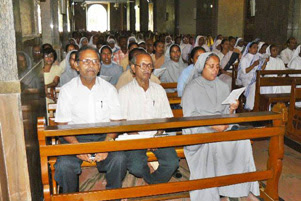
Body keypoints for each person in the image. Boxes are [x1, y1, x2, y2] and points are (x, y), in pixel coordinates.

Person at [182, 52, 259, 201]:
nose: (215, 70)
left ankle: (240, 189)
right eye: (211, 66)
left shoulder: (223, 86)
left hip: (222, 127)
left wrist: (231, 108)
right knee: (214, 144)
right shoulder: (191, 89)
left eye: (217, 67)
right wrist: (212, 126)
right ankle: (212, 193)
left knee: (242, 142)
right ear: (201, 67)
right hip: (199, 131)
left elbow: (225, 113)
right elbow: (189, 120)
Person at [54, 46, 127, 194]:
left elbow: (116, 122)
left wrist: (107, 144)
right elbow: (62, 125)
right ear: (76, 65)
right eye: (86, 61)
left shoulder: (109, 89)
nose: (91, 65)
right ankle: (71, 197)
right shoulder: (67, 90)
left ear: (99, 66)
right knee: (64, 165)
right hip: (74, 138)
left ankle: (113, 196)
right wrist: (76, 146)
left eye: (95, 61)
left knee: (119, 158)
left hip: (103, 136)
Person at [118, 52, 179, 184]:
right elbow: (122, 122)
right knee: (137, 168)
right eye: (143, 65)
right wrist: (143, 141)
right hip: (135, 138)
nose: (147, 69)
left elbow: (166, 118)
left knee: (172, 162)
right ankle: (151, 180)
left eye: (150, 65)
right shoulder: (124, 92)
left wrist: (156, 136)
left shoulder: (159, 90)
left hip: (157, 136)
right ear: (133, 68)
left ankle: (152, 182)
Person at [237, 42, 269, 110]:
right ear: (249, 49)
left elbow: (261, 70)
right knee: (254, 85)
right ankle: (251, 107)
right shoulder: (244, 58)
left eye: (257, 48)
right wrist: (253, 65)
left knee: (264, 85)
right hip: (246, 78)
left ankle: (262, 107)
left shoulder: (258, 57)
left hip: (256, 77)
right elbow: (245, 71)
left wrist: (265, 62)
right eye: (254, 47)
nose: (256, 49)